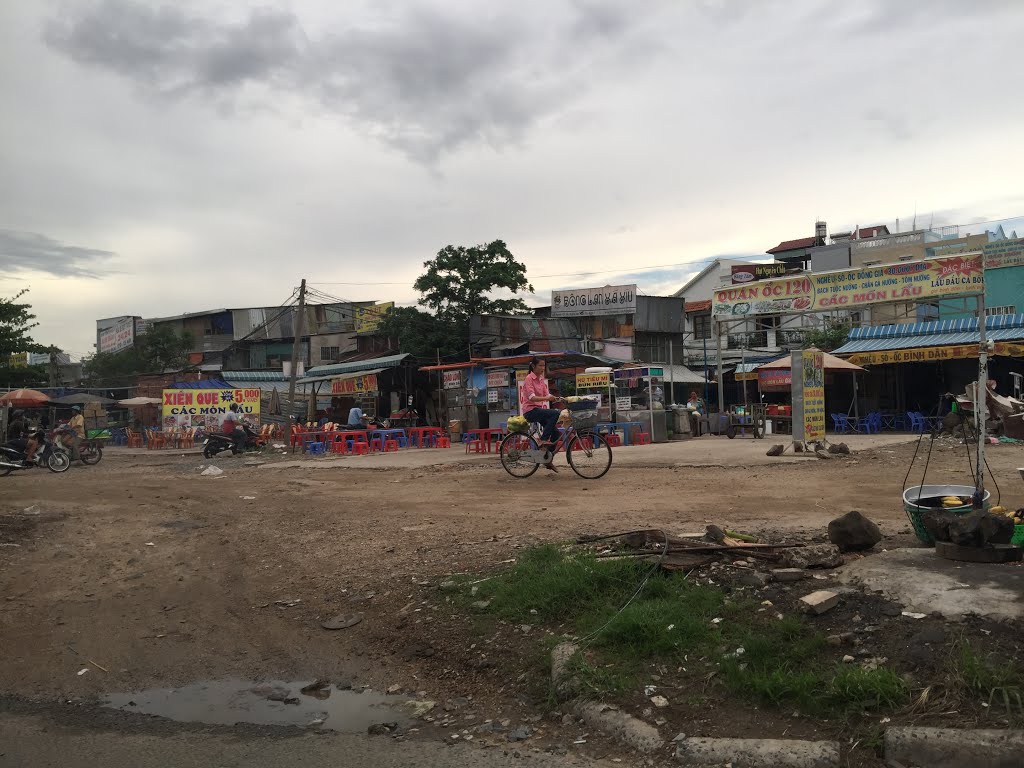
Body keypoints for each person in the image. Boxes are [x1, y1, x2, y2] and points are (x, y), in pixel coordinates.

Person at [520, 356, 561, 472]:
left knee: (556, 434)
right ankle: (543, 440)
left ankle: (547, 460)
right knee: (554, 414)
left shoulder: (541, 378)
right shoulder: (529, 379)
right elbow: (532, 398)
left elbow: (546, 394)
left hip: (538, 411)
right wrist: (547, 398)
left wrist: (556, 398)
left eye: (544, 365)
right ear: (533, 366)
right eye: (540, 366)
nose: (543, 368)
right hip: (530, 411)